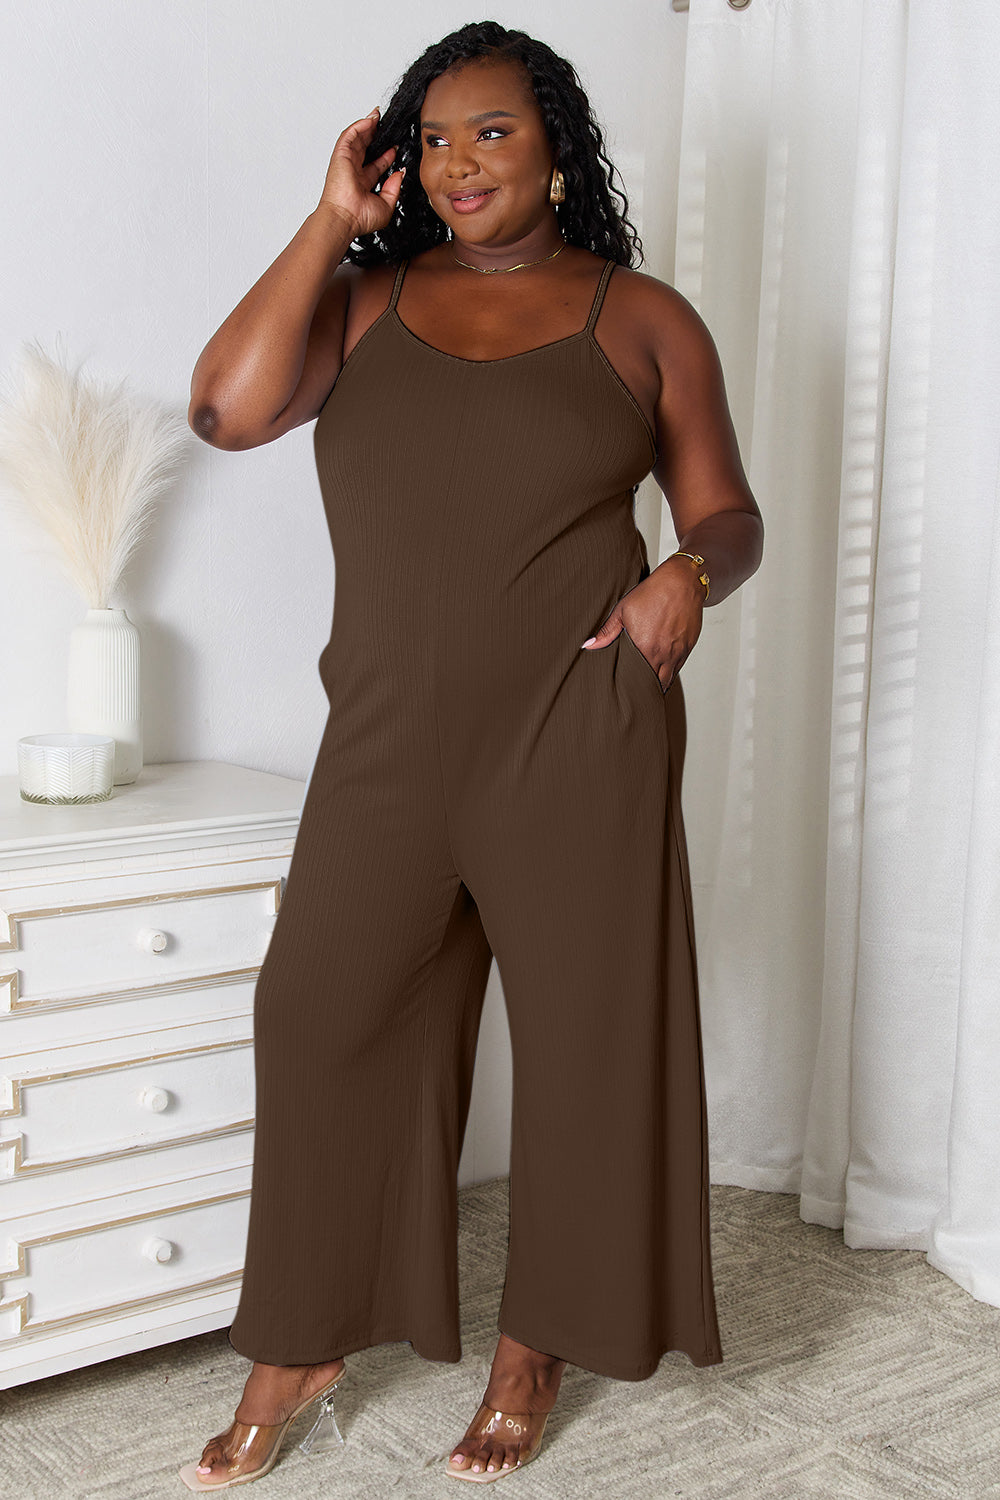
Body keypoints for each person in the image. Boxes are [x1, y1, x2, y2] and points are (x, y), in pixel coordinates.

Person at [179, 18, 763, 1491]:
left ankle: (533, 1349)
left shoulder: (643, 319)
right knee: (320, 1012)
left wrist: (683, 580)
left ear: (557, 147)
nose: (457, 163)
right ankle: (302, 1338)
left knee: (583, 1053)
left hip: (578, 732)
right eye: (433, 138)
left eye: (491, 132)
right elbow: (222, 408)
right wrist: (327, 225)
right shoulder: (366, 301)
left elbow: (729, 514)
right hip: (385, 742)